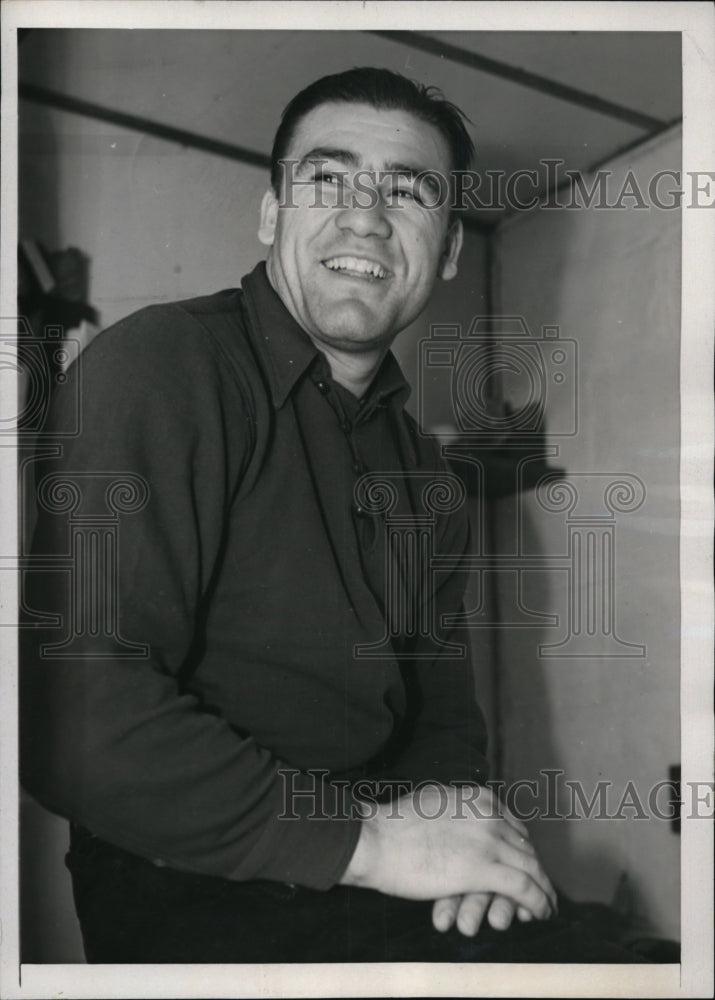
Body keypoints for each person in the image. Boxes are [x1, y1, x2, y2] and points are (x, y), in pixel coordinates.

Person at [20, 67, 642, 964]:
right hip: (199, 888)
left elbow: (440, 717)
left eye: (409, 190)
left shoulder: (425, 471)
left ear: (449, 249)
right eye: (328, 177)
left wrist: (456, 840)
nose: (365, 215)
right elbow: (65, 712)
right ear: (272, 215)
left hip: (381, 872)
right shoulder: (159, 365)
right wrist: (374, 844)